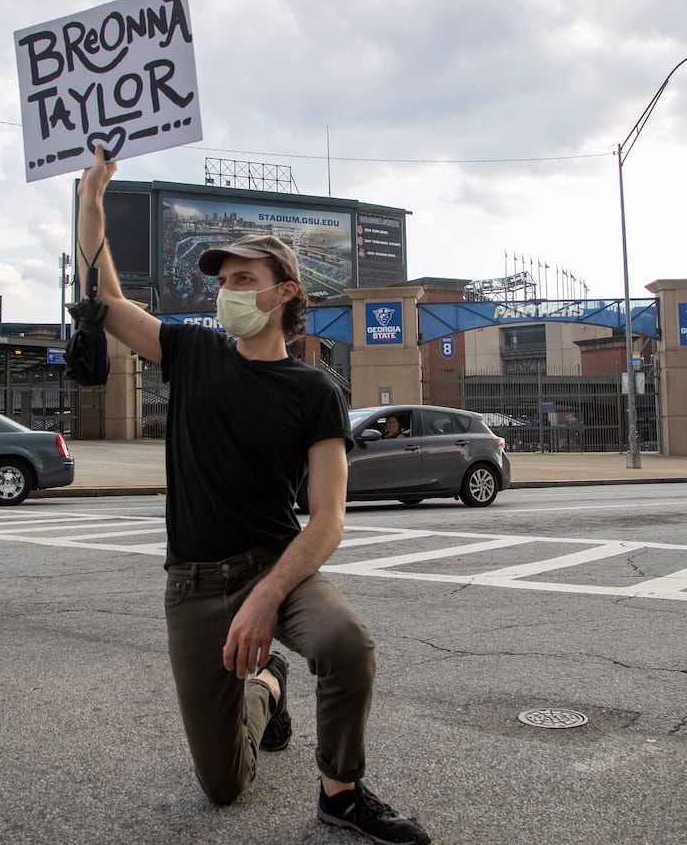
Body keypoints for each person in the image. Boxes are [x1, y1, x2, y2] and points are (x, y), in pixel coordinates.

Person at [75, 146, 431, 845]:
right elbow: (109, 302)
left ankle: (341, 792)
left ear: (285, 292)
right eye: (224, 280)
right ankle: (267, 685)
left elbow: (328, 519)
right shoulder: (192, 351)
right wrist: (92, 200)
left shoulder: (314, 390)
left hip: (277, 565)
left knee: (346, 643)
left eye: (245, 278)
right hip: (196, 585)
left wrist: (271, 594)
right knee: (224, 787)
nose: (228, 290)